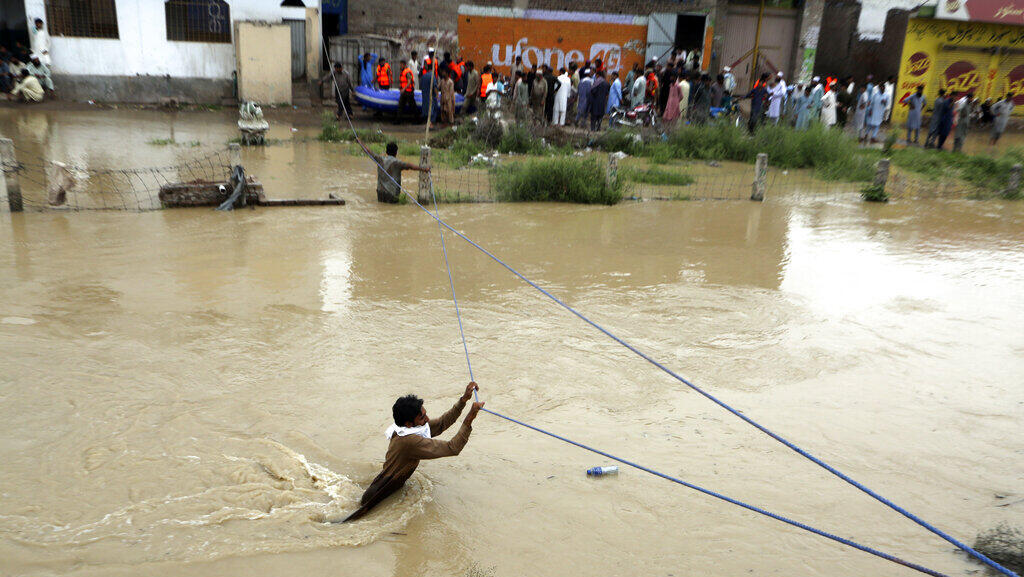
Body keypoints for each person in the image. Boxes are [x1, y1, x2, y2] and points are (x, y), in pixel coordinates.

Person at [342, 383, 484, 522]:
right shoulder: (410, 441)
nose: (427, 419)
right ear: (409, 423)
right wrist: (471, 416)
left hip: (389, 484)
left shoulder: (407, 428)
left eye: (425, 414)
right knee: (352, 521)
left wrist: (464, 399)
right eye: (422, 417)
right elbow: (453, 448)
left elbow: (441, 423)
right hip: (382, 490)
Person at [395, 60, 417, 124]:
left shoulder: (407, 72)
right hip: (404, 92)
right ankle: (398, 120)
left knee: (413, 106)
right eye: (400, 64)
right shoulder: (402, 72)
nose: (400, 66)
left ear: (404, 65)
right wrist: (400, 87)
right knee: (400, 106)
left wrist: (403, 89)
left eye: (401, 65)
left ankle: (417, 120)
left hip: (408, 92)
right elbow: (402, 82)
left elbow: (409, 82)